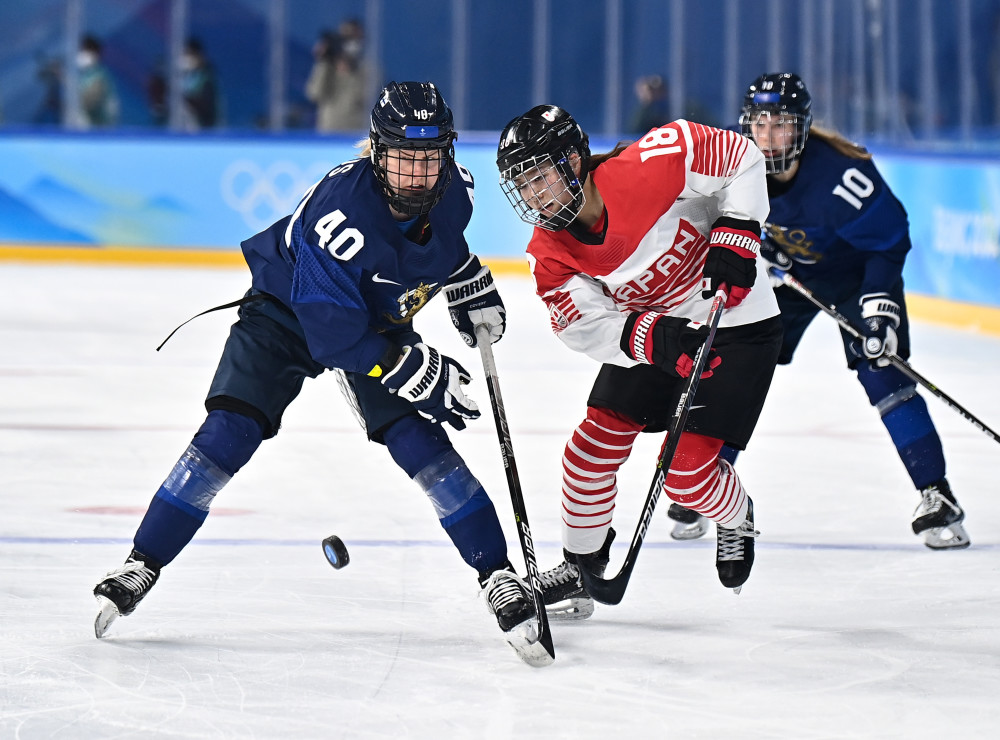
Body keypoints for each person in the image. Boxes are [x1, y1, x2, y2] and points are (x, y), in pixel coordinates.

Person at [92, 81, 541, 662]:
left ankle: (496, 574)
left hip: (370, 317)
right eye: (404, 157)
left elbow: (444, 243)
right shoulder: (342, 211)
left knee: (421, 445)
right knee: (230, 431)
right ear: (377, 153)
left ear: (448, 155)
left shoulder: (455, 191)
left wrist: (465, 281)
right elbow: (332, 334)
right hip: (287, 311)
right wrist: (409, 366)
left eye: (430, 158)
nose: (417, 174)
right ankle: (142, 562)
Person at [495, 105, 783, 619]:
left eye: (540, 178)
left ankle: (737, 516)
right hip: (658, 332)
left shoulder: (656, 159)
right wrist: (646, 336)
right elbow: (580, 324)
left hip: (736, 325)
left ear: (574, 162)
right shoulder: (549, 249)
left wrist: (738, 228)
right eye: (524, 186)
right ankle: (581, 569)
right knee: (588, 452)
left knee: (687, 479)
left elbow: (741, 156)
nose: (534, 196)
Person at [668, 72, 969, 550]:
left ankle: (937, 494)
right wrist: (748, 250)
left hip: (854, 278)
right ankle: (706, 485)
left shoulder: (840, 177)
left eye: (780, 125)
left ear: (802, 129)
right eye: (760, 125)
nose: (768, 137)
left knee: (881, 371)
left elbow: (889, 241)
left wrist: (878, 307)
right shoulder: (734, 168)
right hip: (790, 281)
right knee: (738, 366)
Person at [305, 20, 368, 133]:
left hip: (356, 133)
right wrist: (323, 61)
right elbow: (314, 94)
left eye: (351, 38)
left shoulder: (367, 70)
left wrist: (349, 70)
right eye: (343, 38)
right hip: (328, 132)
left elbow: (364, 97)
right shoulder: (327, 68)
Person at [76, 35, 119, 128]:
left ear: (95, 54)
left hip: (99, 132)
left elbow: (90, 102)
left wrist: (66, 83)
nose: (80, 55)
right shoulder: (85, 76)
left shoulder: (99, 76)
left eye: (84, 51)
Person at [180, 38, 219, 130]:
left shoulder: (207, 76)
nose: (186, 59)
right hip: (187, 129)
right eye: (185, 54)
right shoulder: (187, 77)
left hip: (205, 130)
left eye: (189, 54)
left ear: (199, 55)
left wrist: (185, 100)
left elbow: (206, 107)